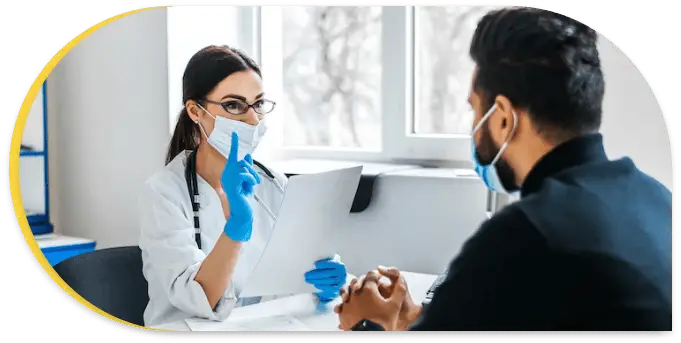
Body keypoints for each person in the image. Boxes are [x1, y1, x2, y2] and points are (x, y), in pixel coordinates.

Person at [335, 7, 672, 331]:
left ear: (503, 118)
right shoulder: (657, 199)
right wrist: (410, 320)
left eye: (474, 109)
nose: (473, 128)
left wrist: (367, 323)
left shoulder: (523, 235)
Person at [138, 45, 347, 327]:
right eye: (233, 105)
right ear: (195, 111)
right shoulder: (164, 194)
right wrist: (236, 226)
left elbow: (288, 279)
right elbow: (199, 298)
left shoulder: (275, 183)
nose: (253, 119)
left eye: (258, 104)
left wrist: (324, 282)